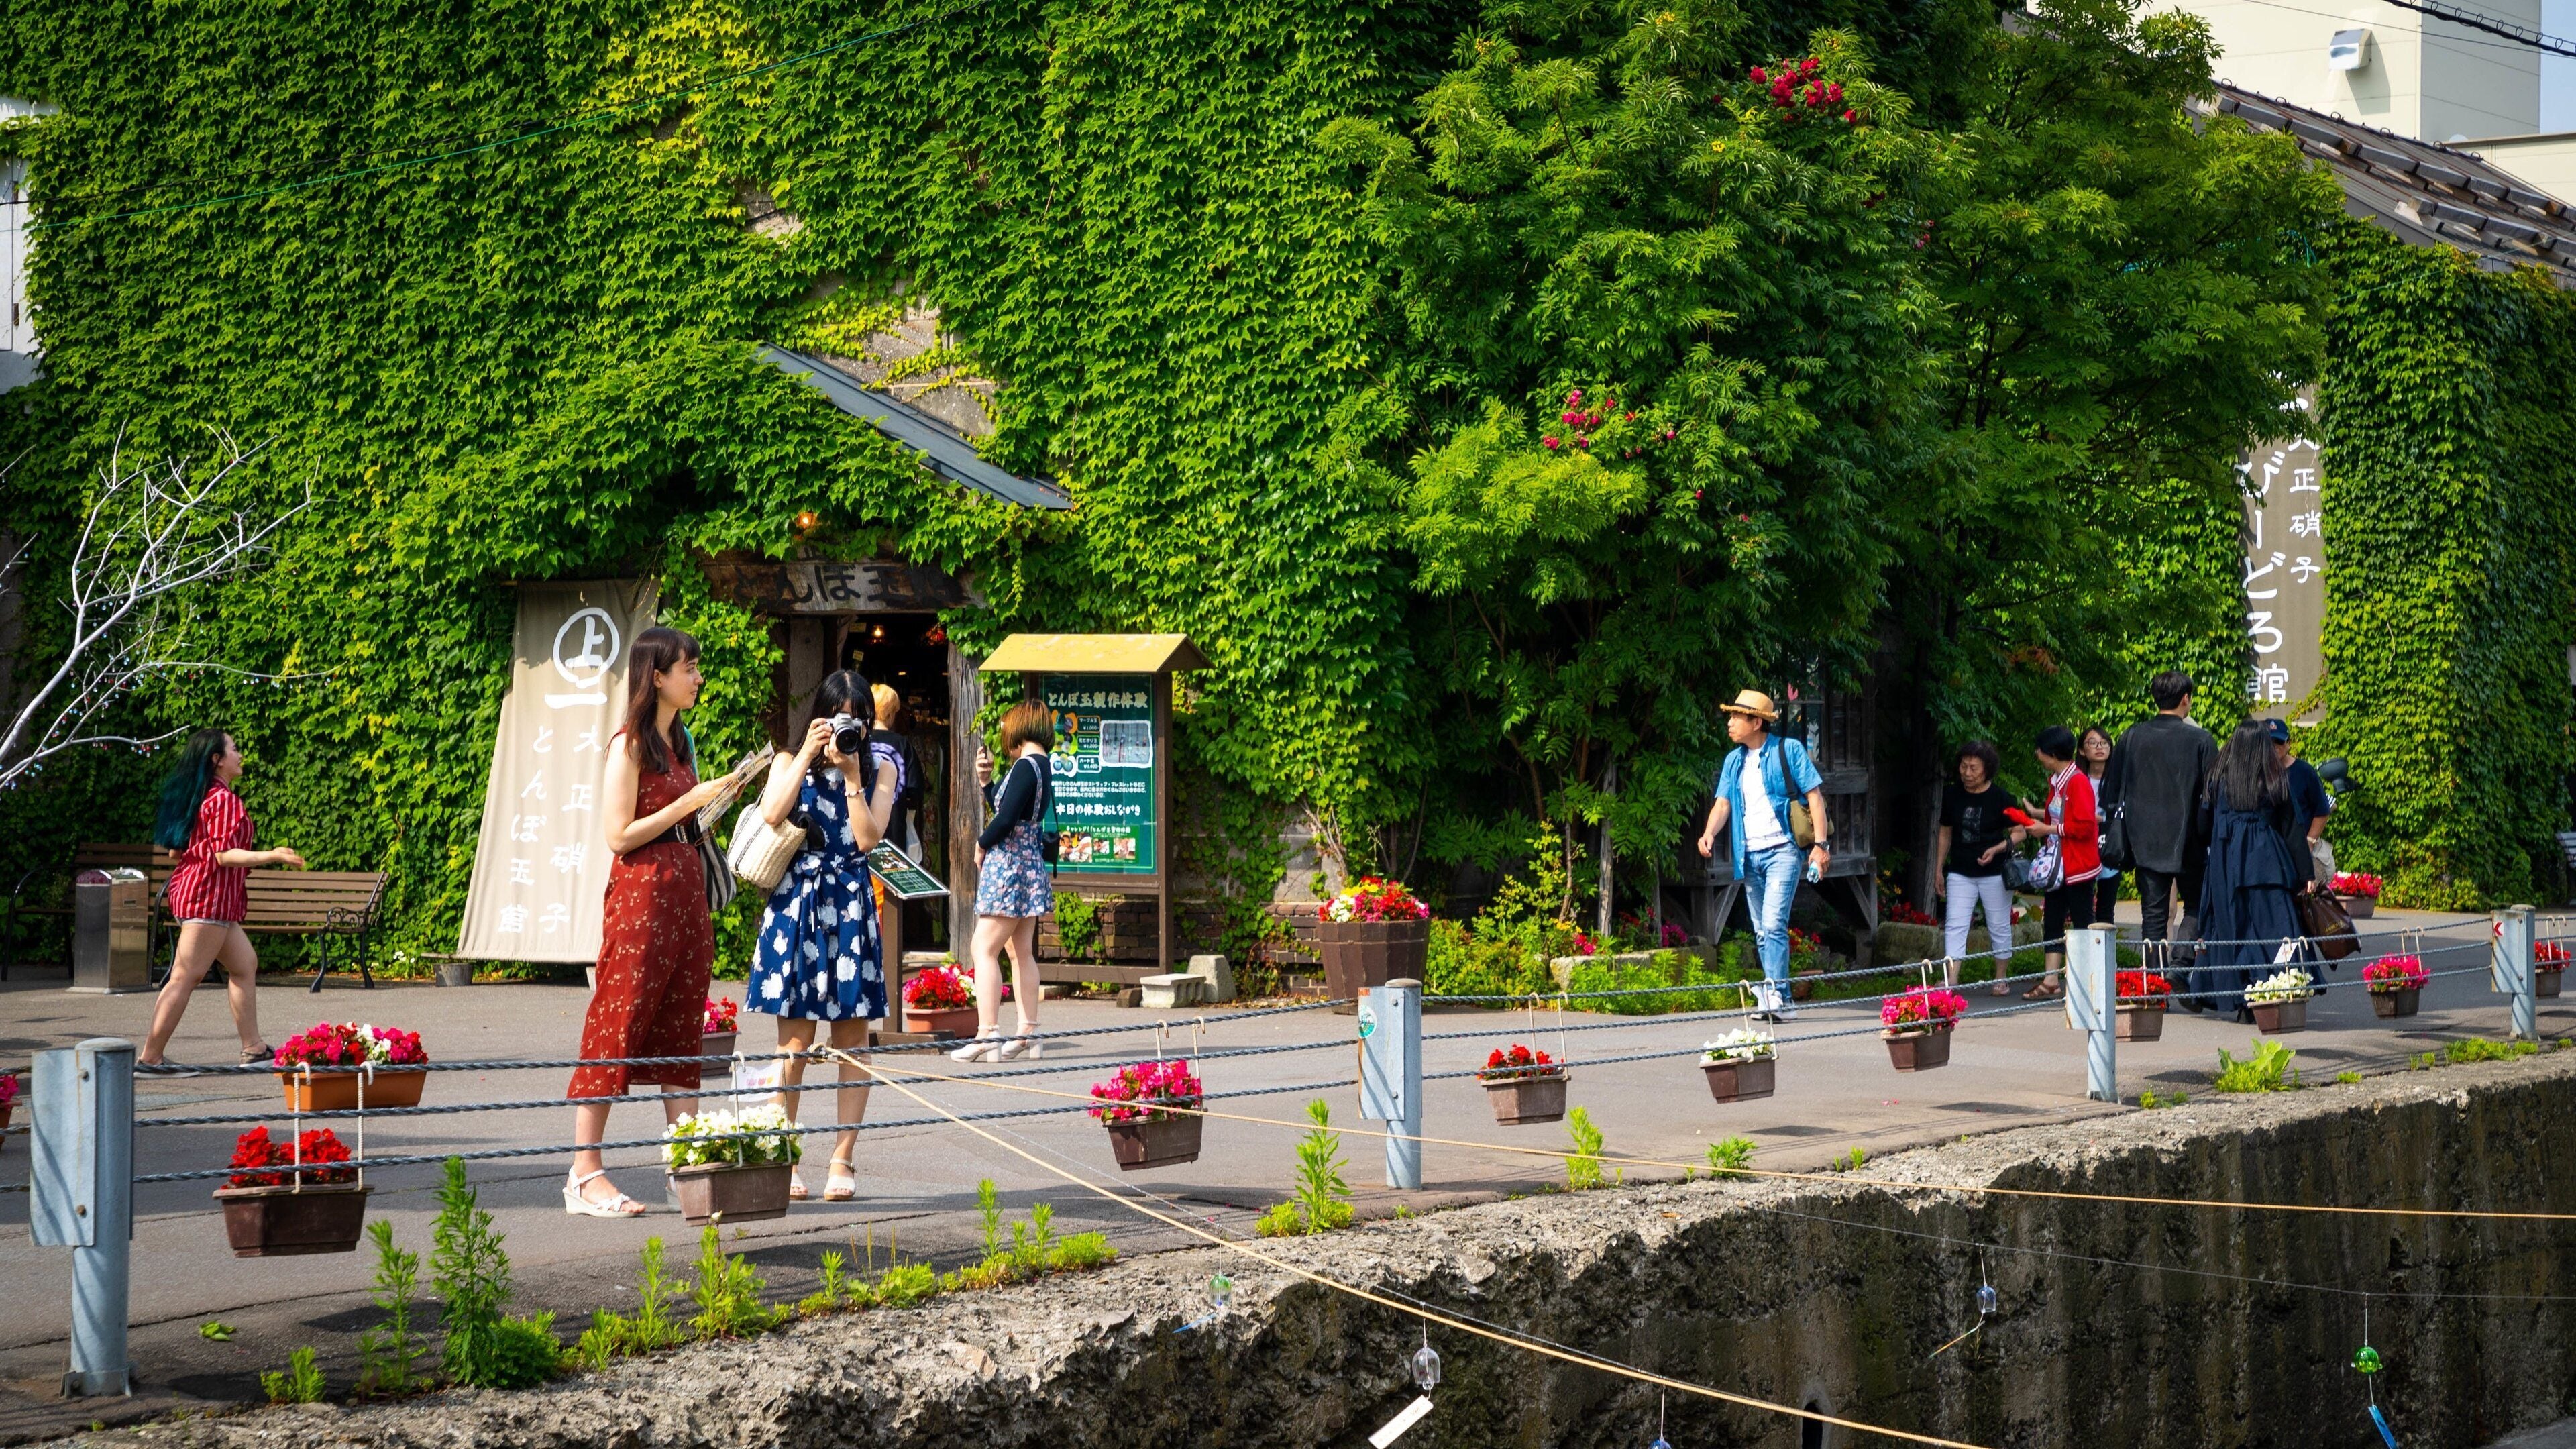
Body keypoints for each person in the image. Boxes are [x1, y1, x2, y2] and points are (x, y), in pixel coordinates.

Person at [563, 627, 739, 1218]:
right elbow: (619, 835)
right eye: (688, 668)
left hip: (684, 897)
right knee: (618, 1019)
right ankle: (585, 1173)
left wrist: (714, 799)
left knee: (682, 1024)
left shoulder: (680, 740)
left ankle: (682, 1164)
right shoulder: (630, 744)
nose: (697, 677)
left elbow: (680, 822)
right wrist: (686, 804)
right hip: (641, 900)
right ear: (656, 676)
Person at [748, 670, 897, 1203]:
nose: (847, 728)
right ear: (821, 716)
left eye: (857, 718)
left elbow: (866, 839)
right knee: (794, 1042)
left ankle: (842, 1158)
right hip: (800, 905)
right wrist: (807, 754)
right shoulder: (792, 762)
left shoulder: (881, 770)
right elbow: (770, 813)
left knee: (853, 1042)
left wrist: (852, 774)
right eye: (839, 717)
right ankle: (785, 1154)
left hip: (851, 904)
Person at [136, 729, 308, 1071]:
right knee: (185, 976)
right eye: (234, 748)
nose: (240, 754)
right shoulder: (224, 800)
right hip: (208, 898)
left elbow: (176, 851)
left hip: (206, 897)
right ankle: (150, 1058)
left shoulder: (200, 796)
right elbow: (224, 855)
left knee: (245, 965)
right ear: (217, 760)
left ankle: (254, 1049)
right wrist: (272, 855)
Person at [1695, 690, 1830, 1022]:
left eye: (1736, 718)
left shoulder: (1789, 750)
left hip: (1783, 850)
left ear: (1756, 722)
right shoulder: (1733, 760)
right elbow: (1723, 803)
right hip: (1749, 854)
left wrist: (1820, 846)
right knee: (1761, 929)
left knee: (1772, 924)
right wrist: (1710, 832)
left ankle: (1779, 997)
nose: (1729, 723)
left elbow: (1814, 796)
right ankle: (1775, 997)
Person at [951, 700, 1055, 1062]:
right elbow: (1013, 808)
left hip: (1009, 864)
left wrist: (981, 843)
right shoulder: (1042, 765)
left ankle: (988, 1033)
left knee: (984, 948)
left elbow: (1006, 818)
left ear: (1019, 726)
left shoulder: (1026, 765)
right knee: (1019, 951)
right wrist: (987, 782)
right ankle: (1029, 1032)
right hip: (1029, 863)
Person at [2102, 671, 2217, 994]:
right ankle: (2181, 965)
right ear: (2186, 699)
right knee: (2197, 905)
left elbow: (2112, 791)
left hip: (2144, 841)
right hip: (2191, 839)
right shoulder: (2201, 740)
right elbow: (2213, 795)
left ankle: (2153, 985)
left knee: (2152, 915)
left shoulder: (2132, 736)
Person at [2195, 719, 2312, 1022]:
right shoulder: (2275, 779)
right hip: (2267, 863)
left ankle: (2241, 997)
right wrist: (2306, 874)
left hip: (2226, 863)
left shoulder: (2217, 778)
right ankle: (2272, 993)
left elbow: (2202, 825)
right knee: (2274, 928)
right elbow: (2292, 829)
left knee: (2232, 928)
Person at [2015, 726, 2099, 1000]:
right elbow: (2061, 814)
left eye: (2040, 750)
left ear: (2052, 753)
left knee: (2083, 923)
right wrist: (2037, 818)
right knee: (2052, 919)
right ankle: (2051, 980)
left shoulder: (2077, 781)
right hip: (2059, 866)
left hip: (2077, 867)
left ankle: (2090, 982)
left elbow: (2086, 826)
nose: (2037, 755)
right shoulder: (2058, 780)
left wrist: (2047, 830)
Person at [1935, 741, 2017, 996]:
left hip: (1995, 873)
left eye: (1974, 768)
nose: (1967, 773)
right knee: (1955, 925)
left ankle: (2001, 978)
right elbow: (1945, 833)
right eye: (1963, 766)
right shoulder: (1951, 795)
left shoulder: (2002, 797)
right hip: (1960, 870)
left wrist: (1998, 848)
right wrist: (1938, 869)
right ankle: (1952, 979)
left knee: (1999, 925)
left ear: (1987, 770)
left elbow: (2020, 832)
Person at [2267, 718, 2335, 888]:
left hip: (2299, 851)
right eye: (2270, 742)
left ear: (2289, 743)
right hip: (2270, 852)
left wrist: (2309, 841)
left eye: (2279, 741)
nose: (2275, 746)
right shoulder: (2260, 774)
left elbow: (2322, 810)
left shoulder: (2305, 772)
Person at [2078, 726, 2121, 924]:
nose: (2099, 747)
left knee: (2106, 908)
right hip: (2081, 849)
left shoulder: (2118, 781)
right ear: (2081, 750)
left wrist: (2100, 820)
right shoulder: (2076, 780)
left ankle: (2106, 954)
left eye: (2104, 743)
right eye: (2092, 743)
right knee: (2083, 908)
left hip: (2109, 848)